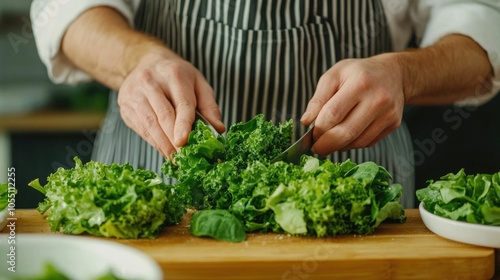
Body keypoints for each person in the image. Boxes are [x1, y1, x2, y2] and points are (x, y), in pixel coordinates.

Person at [30, 0, 500, 208]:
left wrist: (404, 73)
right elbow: (64, 10)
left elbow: (484, 26)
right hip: (154, 172)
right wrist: (138, 59)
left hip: (349, 176)